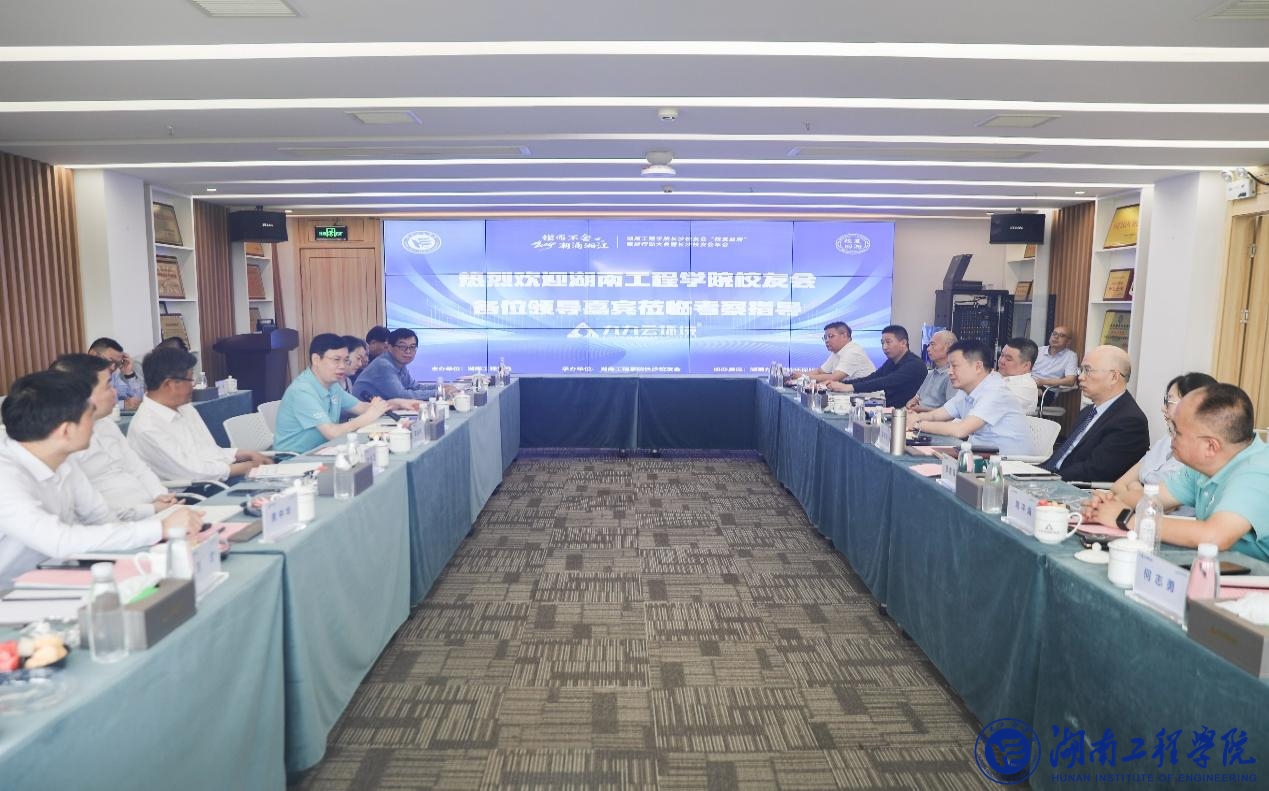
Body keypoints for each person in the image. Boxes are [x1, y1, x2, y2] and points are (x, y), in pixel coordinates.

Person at [0, 370, 203, 587]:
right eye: (90, 416)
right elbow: (59, 541)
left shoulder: (63, 459)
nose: (95, 425)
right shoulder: (6, 477)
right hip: (10, 591)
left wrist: (161, 534)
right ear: (66, 431)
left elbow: (102, 518)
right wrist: (159, 528)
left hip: (58, 575)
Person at [1084, 383, 1269, 561]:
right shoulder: (1206, 465)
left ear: (1211, 446)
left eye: (1177, 432)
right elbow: (1153, 497)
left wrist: (1127, 519)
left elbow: (1214, 536)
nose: (1170, 437)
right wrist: (1107, 503)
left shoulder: (1257, 472)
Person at [51, 354, 179, 520]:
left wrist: (160, 495)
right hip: (119, 524)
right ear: (83, 393)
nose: (115, 392)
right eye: (108, 386)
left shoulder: (107, 424)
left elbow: (137, 467)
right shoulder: (63, 442)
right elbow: (90, 512)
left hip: (154, 511)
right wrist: (151, 509)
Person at [127, 346, 269, 481]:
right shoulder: (147, 427)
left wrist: (243, 454)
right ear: (170, 384)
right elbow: (192, 473)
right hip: (191, 490)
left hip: (216, 477)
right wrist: (246, 467)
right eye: (190, 379)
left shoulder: (185, 408)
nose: (193, 385)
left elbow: (209, 451)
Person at [1088, 372, 1217, 511]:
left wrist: (1135, 487)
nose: (1163, 408)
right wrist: (1135, 491)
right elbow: (1119, 485)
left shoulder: (1197, 461)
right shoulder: (1165, 441)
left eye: (1169, 402)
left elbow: (1161, 507)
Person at [274, 334, 422, 454]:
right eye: (336, 360)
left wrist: (398, 402)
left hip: (325, 450)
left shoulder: (332, 385)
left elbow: (362, 407)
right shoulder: (302, 391)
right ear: (316, 359)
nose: (342, 366)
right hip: (296, 459)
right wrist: (369, 416)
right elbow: (332, 432)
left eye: (345, 360)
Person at [1040, 345, 1149, 482]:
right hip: (1051, 478)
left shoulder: (1130, 422)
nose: (1080, 377)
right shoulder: (1088, 411)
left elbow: (1095, 470)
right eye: (1081, 370)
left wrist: (1047, 478)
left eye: (1088, 370)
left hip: (1073, 487)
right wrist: (1035, 472)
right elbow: (1063, 455)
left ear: (1114, 377)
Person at [909, 339, 1033, 456]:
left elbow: (960, 430)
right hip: (980, 454)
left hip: (1007, 463)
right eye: (949, 366)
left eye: (955, 366)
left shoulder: (995, 391)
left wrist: (917, 424)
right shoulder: (966, 390)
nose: (949, 372)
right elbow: (936, 415)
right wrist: (914, 417)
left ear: (978, 367)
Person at [825, 324, 926, 408]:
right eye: (882, 343)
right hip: (888, 411)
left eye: (888, 342)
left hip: (906, 415)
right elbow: (871, 378)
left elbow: (885, 381)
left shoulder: (914, 365)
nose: (884, 347)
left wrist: (849, 387)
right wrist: (840, 384)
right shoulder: (891, 362)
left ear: (903, 343)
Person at [352, 328, 454, 402]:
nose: (408, 351)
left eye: (412, 347)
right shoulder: (384, 365)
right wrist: (439, 392)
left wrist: (441, 387)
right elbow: (401, 395)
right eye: (402, 347)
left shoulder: (399, 364)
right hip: (361, 416)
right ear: (389, 347)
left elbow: (414, 387)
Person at [786, 321, 875, 385]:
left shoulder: (853, 352)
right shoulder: (837, 352)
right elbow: (820, 371)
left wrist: (803, 377)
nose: (827, 340)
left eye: (831, 336)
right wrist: (799, 376)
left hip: (866, 399)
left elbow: (834, 377)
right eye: (825, 337)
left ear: (844, 336)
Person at [907, 330, 957, 413]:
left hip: (932, 419)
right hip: (918, 416)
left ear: (949, 348)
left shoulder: (952, 376)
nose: (928, 349)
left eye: (933, 344)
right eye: (929, 345)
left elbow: (951, 413)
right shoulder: (931, 373)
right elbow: (917, 397)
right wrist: (911, 403)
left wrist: (921, 409)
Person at [88, 336, 144, 410]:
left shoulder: (113, 376)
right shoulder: (76, 374)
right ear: (93, 354)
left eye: (117, 364)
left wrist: (129, 373)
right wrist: (123, 405)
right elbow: (86, 406)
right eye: (110, 361)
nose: (112, 367)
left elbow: (138, 400)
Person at [997, 337, 1040, 415]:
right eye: (1001, 355)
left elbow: (993, 407)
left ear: (1026, 365)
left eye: (1008, 359)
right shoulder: (999, 376)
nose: (1001, 361)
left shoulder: (1026, 386)